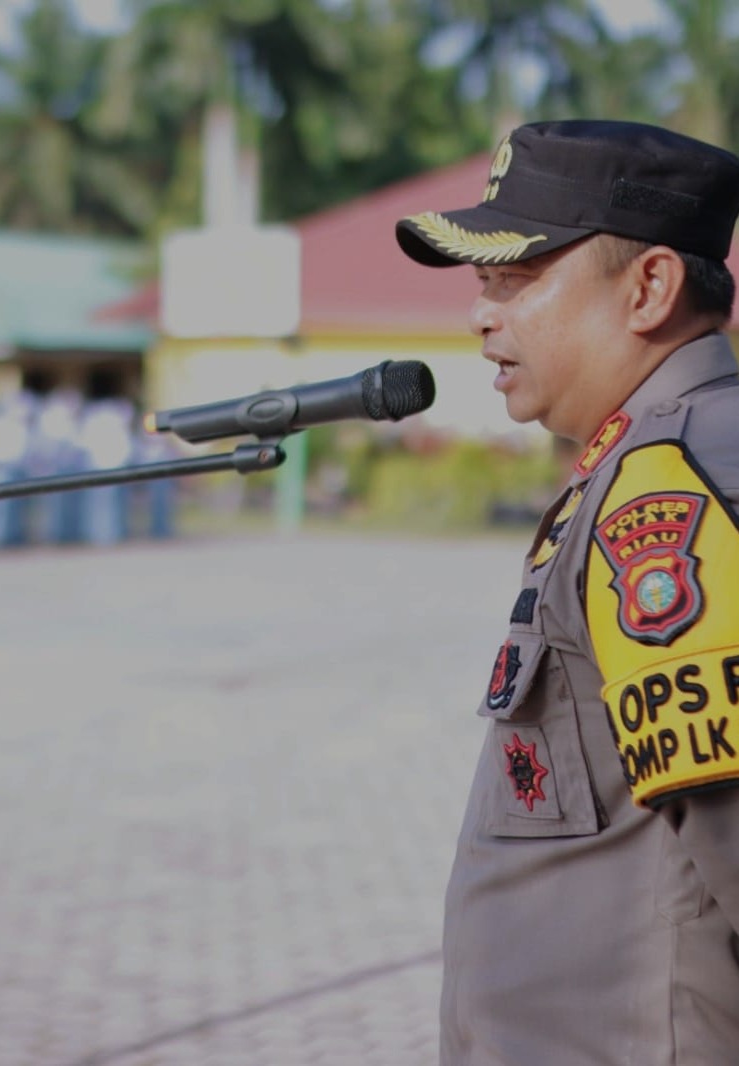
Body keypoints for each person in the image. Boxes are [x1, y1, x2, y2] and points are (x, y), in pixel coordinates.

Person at [395, 119, 739, 1063]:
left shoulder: (670, 485)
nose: (481, 315)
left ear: (650, 288)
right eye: (481, 283)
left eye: (517, 277)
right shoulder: (631, 459)